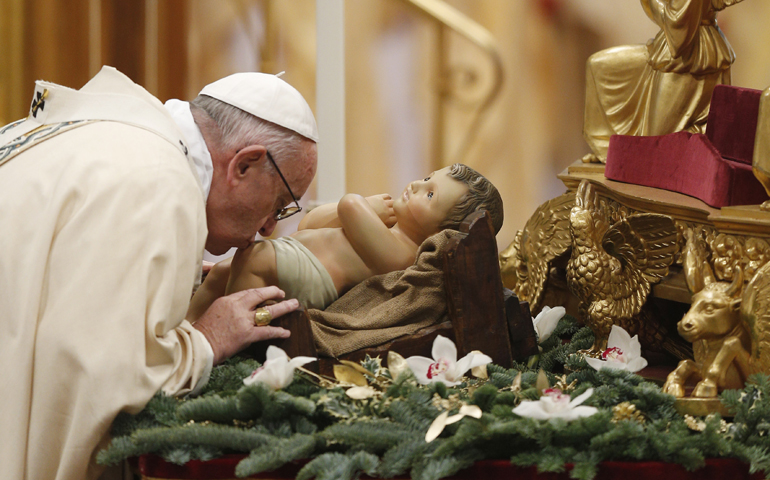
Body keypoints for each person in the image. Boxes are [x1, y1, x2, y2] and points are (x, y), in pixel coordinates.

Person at [0, 66, 317, 480]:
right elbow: (103, 378)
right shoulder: (158, 182)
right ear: (244, 164)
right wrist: (208, 340)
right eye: (279, 202)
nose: (270, 227)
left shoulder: (100, 138)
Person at [187, 163, 504, 319]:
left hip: (311, 280)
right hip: (292, 254)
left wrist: (365, 204)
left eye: (431, 194)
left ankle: (234, 331)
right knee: (221, 271)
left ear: (443, 232)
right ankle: (187, 332)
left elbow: (348, 205)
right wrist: (370, 210)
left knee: (251, 259)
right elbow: (311, 222)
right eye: (426, 179)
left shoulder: (403, 254)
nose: (416, 186)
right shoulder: (385, 224)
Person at [582, 0, 741, 163]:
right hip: (672, 48)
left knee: (656, 146)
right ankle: (609, 149)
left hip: (690, 59)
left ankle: (704, 138)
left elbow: (678, 25)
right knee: (599, 67)